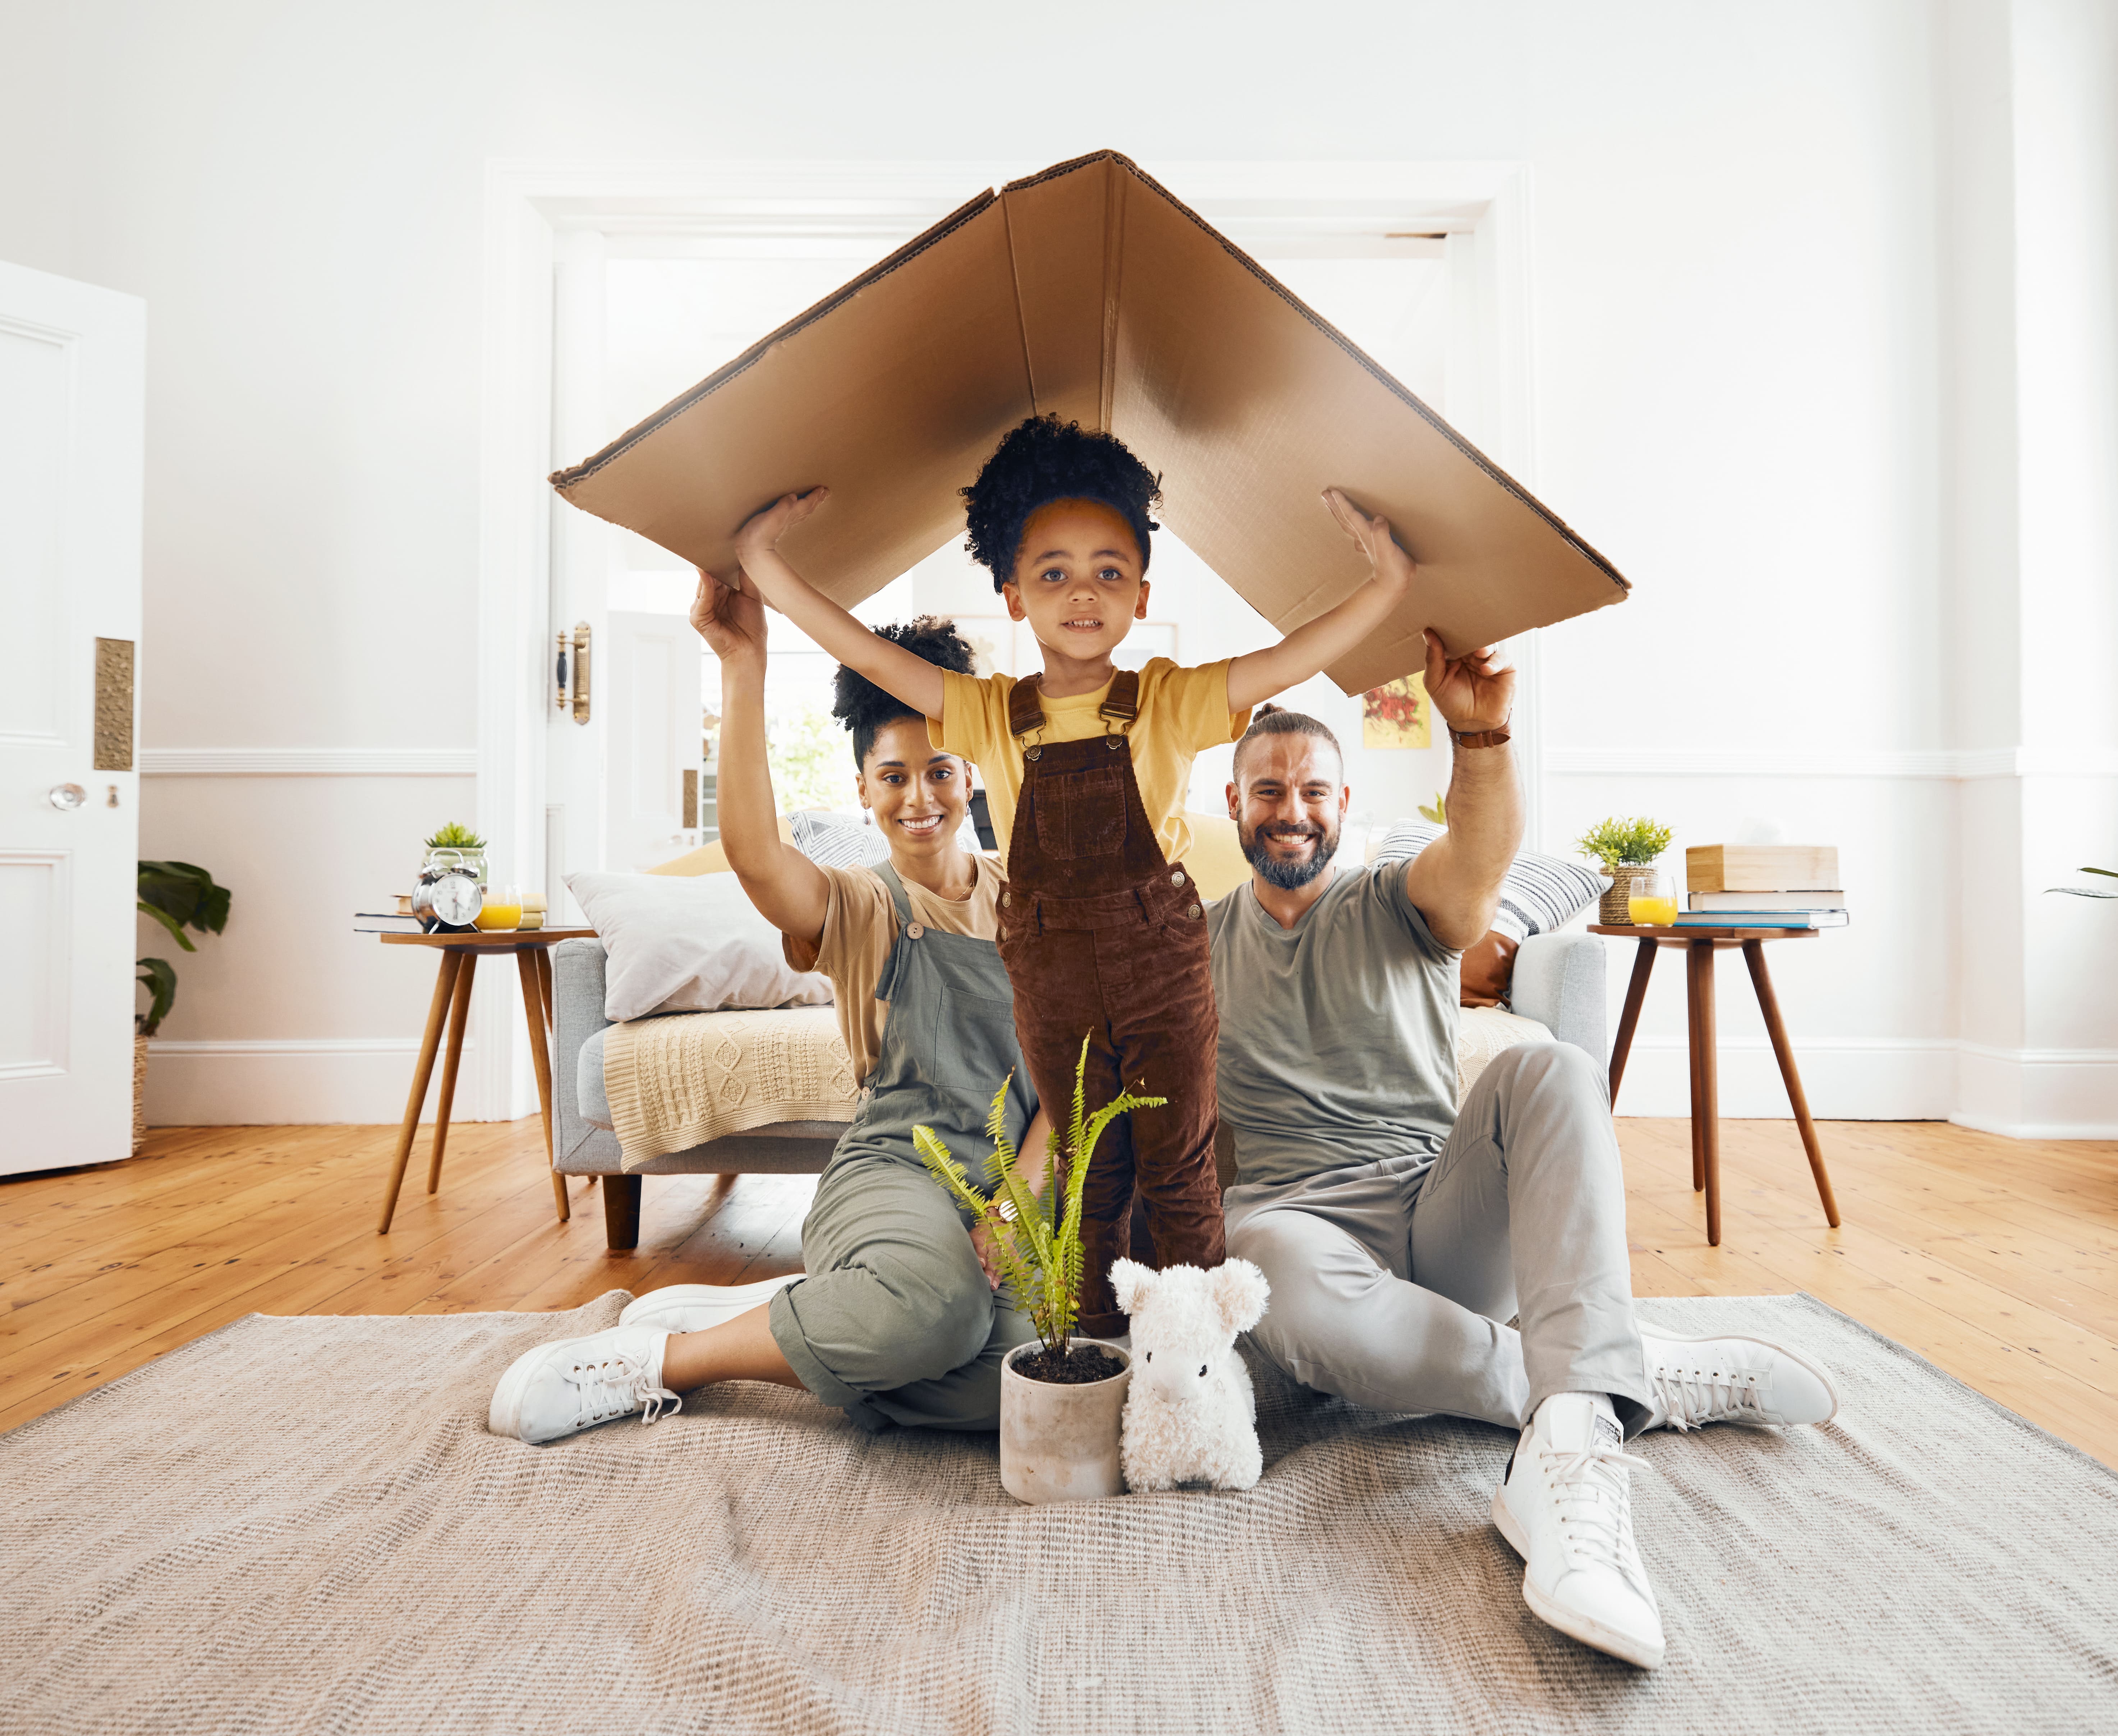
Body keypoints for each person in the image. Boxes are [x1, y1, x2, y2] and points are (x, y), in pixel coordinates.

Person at [1207, 633, 1841, 1671]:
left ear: (1344, 801)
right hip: (1296, 1221)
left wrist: (1481, 731)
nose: (1290, 807)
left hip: (1434, 1206)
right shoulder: (1193, 938)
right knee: (1261, 1269)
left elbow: (1478, 858)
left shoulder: (1395, 900)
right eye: (1266, 787)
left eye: (1313, 788)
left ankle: (1575, 1453)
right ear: (1233, 804)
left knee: (1552, 1064)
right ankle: (1615, 1377)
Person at [721, 415, 1414, 1337]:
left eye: (1108, 572)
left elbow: (1294, 657)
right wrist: (761, 564)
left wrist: (1388, 582)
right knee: (1092, 1177)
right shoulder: (983, 714)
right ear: (1011, 595)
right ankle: (1095, 1355)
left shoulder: (1168, 696)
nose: (1081, 593)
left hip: (1160, 969)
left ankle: (1197, 1361)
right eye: (1052, 572)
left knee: (1181, 1168)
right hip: (1051, 976)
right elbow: (863, 651)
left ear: (1139, 595)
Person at [489, 590, 1053, 1445]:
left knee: (1029, 1388)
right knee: (938, 1321)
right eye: (893, 777)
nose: (919, 798)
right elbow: (756, 856)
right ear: (863, 789)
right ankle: (662, 1361)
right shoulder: (863, 905)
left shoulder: (1032, 900)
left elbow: (1063, 1085)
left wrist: (1012, 1208)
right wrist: (740, 664)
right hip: (896, 1175)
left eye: (939, 771)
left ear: (971, 773)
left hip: (1005, 1185)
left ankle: (810, 1310)